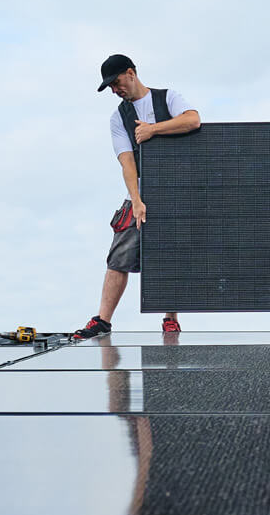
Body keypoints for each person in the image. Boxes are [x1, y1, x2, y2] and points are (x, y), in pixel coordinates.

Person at [74, 54, 201, 341]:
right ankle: (103, 321)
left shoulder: (168, 97)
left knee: (170, 254)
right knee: (120, 252)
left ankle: (170, 319)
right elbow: (127, 162)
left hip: (178, 191)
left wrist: (153, 129)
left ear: (131, 73)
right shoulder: (118, 118)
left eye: (116, 82)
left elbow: (193, 120)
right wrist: (136, 200)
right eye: (109, 87)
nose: (114, 90)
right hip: (141, 192)